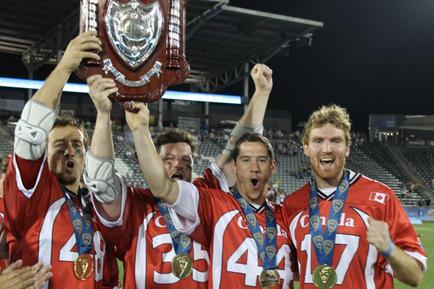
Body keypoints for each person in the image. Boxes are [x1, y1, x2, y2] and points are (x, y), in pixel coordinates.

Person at [84, 63, 277, 289]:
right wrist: (103, 113)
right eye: (168, 160)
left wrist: (261, 93)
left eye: (186, 161)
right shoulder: (135, 205)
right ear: (151, 162)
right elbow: (100, 181)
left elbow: (240, 147)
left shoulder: (206, 193)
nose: (178, 165)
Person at [2, 32, 119, 289]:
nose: (70, 151)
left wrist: (103, 112)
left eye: (77, 145)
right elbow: (30, 134)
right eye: (59, 145)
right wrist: (65, 66)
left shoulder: (99, 208)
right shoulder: (32, 195)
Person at [283, 104, 427, 289]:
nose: (326, 148)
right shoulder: (291, 205)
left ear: (347, 148)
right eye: (318, 140)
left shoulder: (381, 198)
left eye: (336, 141)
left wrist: (389, 248)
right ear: (306, 148)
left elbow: (414, 276)